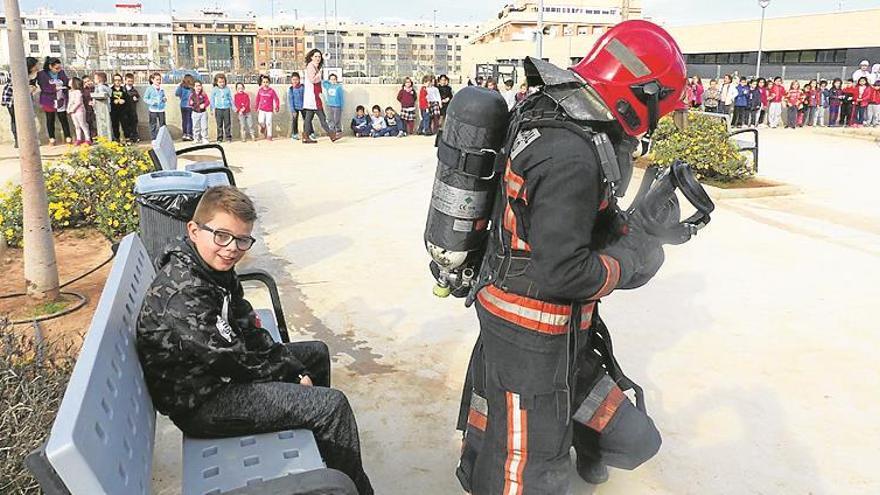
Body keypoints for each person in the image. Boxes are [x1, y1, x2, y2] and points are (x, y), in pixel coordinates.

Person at [451, 20, 689, 494]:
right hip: (533, 333)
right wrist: (628, 259)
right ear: (640, 94)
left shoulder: (552, 110)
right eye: (662, 106)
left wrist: (627, 226)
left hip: (527, 318)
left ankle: (479, 469)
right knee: (527, 461)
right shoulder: (572, 155)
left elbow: (551, 216)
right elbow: (563, 272)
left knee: (630, 437)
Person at [136, 186, 374, 495]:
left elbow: (246, 327)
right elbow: (232, 359)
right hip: (202, 403)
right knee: (331, 406)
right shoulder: (184, 290)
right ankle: (353, 489)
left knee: (315, 354)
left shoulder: (212, 268)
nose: (232, 248)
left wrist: (294, 370)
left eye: (242, 239)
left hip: (218, 378)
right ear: (194, 230)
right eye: (221, 235)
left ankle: (320, 457)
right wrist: (290, 374)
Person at [302, 49, 339, 143]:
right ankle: (331, 134)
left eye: (319, 56)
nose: (318, 58)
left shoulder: (314, 66)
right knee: (321, 117)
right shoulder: (311, 66)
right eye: (316, 56)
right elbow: (313, 80)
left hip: (313, 96)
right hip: (313, 97)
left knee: (309, 118)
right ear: (311, 57)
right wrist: (319, 74)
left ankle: (306, 136)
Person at [2, 56, 39, 148]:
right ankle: (17, 140)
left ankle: (27, 139)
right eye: (35, 65)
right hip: (11, 97)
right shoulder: (16, 71)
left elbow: (33, 85)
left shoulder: (34, 74)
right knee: (15, 119)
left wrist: (33, 87)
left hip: (26, 97)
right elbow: (17, 85)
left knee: (28, 118)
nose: (37, 67)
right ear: (30, 66)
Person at [36, 57, 72, 145]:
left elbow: (66, 83)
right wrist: (55, 88)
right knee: (50, 119)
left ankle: (68, 137)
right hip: (48, 100)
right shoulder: (42, 74)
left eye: (60, 68)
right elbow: (44, 87)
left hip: (60, 99)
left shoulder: (62, 73)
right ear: (50, 67)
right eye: (56, 68)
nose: (58, 70)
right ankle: (52, 138)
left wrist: (67, 86)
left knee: (63, 118)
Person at [254, 75, 280, 141]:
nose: (265, 84)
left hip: (269, 110)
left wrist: (277, 106)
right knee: (260, 121)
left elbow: (276, 99)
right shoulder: (260, 91)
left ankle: (269, 135)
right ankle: (263, 127)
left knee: (269, 122)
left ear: (269, 83)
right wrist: (256, 107)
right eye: (264, 82)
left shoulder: (271, 91)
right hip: (261, 109)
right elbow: (257, 100)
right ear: (262, 83)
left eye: (267, 82)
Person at [143, 72, 167, 140]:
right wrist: (152, 102)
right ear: (152, 80)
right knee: (153, 125)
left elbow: (163, 96)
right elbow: (145, 98)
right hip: (153, 110)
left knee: (162, 125)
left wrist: (164, 99)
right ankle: (154, 138)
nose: (159, 81)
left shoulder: (161, 89)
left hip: (161, 109)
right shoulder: (149, 89)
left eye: (160, 79)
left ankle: (163, 138)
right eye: (157, 79)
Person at [66, 77, 90, 146]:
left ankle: (88, 139)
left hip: (79, 111)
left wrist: (72, 109)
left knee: (83, 125)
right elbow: (70, 101)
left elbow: (78, 102)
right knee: (76, 125)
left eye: (71, 81)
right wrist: (68, 108)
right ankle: (79, 139)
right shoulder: (70, 92)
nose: (69, 82)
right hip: (73, 112)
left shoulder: (78, 92)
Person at [91, 71, 113, 141]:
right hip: (102, 108)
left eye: (95, 78)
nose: (94, 80)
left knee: (104, 124)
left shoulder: (101, 87)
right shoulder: (102, 87)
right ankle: (104, 138)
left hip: (103, 109)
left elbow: (101, 95)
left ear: (99, 79)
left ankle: (105, 139)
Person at [109, 73, 131, 142]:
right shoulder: (110, 90)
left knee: (125, 125)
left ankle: (127, 138)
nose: (117, 82)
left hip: (123, 111)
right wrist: (113, 101)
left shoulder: (124, 90)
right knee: (115, 125)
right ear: (113, 81)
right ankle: (117, 139)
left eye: (119, 80)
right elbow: (108, 100)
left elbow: (128, 100)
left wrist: (124, 101)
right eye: (115, 80)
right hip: (114, 111)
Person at [212, 73, 234, 142]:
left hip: (226, 108)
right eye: (220, 82)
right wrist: (212, 109)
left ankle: (228, 137)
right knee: (219, 124)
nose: (222, 84)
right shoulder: (215, 89)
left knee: (227, 123)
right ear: (216, 82)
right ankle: (219, 138)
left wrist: (233, 107)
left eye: (223, 82)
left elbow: (230, 99)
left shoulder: (227, 89)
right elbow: (212, 99)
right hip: (218, 109)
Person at [189, 80, 211, 144]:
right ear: (194, 87)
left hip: (203, 112)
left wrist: (204, 105)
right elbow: (189, 103)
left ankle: (205, 138)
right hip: (195, 112)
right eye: (196, 86)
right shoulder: (192, 95)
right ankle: (196, 138)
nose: (198, 87)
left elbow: (208, 101)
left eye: (199, 86)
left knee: (204, 126)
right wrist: (191, 103)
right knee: (195, 126)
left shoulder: (203, 94)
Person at [175, 74, 195, 141]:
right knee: (189, 120)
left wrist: (179, 86)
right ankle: (189, 134)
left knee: (184, 120)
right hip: (190, 106)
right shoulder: (192, 88)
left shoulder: (181, 86)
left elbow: (177, 93)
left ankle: (184, 134)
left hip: (183, 105)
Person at [287, 72, 305, 140]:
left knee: (306, 120)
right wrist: (293, 110)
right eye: (293, 79)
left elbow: (305, 97)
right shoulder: (291, 89)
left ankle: (308, 133)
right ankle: (295, 134)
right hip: (295, 108)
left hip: (303, 107)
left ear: (299, 79)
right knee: (294, 121)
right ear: (291, 80)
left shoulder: (302, 87)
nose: (295, 81)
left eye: (296, 79)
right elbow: (290, 101)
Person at [123, 73, 140, 142]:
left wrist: (136, 99)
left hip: (132, 111)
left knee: (134, 124)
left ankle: (135, 137)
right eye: (128, 81)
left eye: (131, 81)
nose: (130, 83)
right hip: (124, 111)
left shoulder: (134, 91)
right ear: (125, 81)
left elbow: (138, 98)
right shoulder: (122, 90)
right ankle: (127, 138)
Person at [82, 76, 97, 141]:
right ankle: (91, 138)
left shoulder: (95, 88)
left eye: (88, 81)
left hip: (95, 109)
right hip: (87, 110)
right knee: (89, 124)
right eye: (85, 82)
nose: (87, 83)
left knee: (95, 124)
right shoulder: (83, 90)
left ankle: (96, 137)